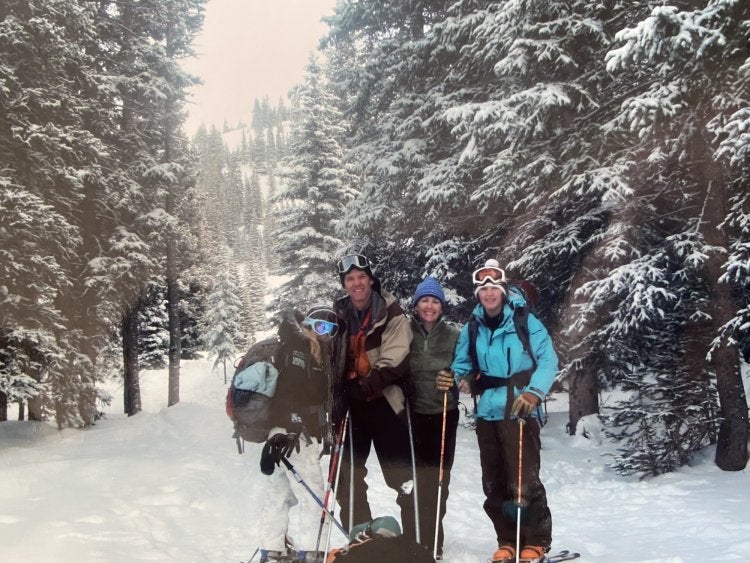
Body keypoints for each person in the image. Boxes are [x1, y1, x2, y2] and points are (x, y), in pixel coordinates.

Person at [436, 259, 558, 563]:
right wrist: (452, 375)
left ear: (502, 290)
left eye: (493, 288)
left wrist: (533, 393)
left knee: (524, 479)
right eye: (483, 289)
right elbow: (462, 363)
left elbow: (547, 360)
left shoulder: (525, 320)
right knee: (494, 481)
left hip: (519, 408)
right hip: (487, 411)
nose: (488, 294)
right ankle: (507, 539)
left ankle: (536, 541)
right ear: (478, 293)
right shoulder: (473, 326)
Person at [329, 253, 416, 541]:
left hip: (384, 402)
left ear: (371, 279)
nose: (356, 283)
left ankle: (415, 539)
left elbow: (396, 357)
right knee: (347, 476)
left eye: (361, 277)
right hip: (350, 407)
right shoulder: (337, 315)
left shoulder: (390, 312)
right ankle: (360, 537)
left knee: (402, 477)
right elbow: (321, 349)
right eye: (350, 279)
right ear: (345, 284)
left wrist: (364, 386)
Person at [257, 304, 339, 561]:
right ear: (306, 325)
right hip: (295, 434)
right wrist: (292, 427)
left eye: (330, 329)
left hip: (281, 432)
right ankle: (311, 552)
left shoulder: (301, 347)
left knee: (279, 493)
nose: (324, 333)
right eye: (318, 325)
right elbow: (289, 389)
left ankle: (272, 550)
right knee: (314, 495)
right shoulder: (299, 349)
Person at [408, 277, 460, 559]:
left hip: (443, 414)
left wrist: (453, 378)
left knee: (440, 478)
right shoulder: (406, 331)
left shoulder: (453, 335)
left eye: (435, 301)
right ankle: (418, 535)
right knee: (416, 478)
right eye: (425, 300)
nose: (429, 306)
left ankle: (434, 537)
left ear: (441, 306)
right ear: (417, 305)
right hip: (413, 414)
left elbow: (464, 367)